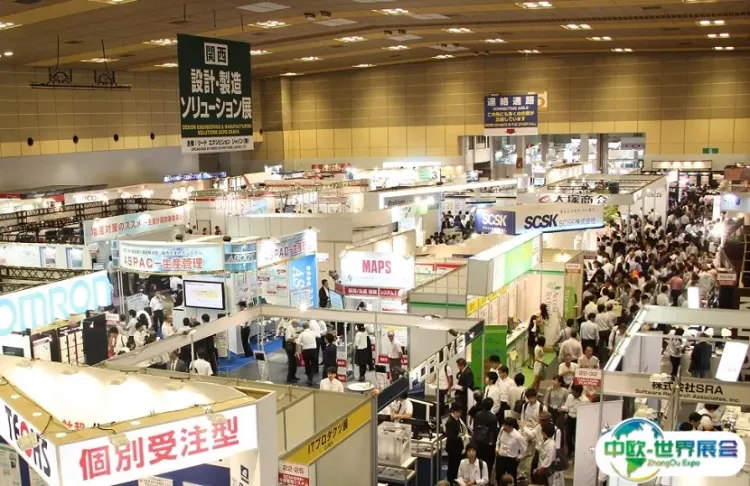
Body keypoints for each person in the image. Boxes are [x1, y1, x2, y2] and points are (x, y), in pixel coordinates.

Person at [495, 417, 526, 485]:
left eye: (506, 426)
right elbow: (498, 439)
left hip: (511, 459)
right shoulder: (502, 430)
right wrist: (497, 448)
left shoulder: (517, 436)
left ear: (511, 426)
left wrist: (520, 456)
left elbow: (524, 447)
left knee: (511, 478)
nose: (504, 427)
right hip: (501, 456)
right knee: (499, 476)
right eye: (504, 425)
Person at [472, 398, 499, 473]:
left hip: (478, 442)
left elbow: (475, 427)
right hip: (488, 445)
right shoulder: (493, 417)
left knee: (477, 463)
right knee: (488, 465)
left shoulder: (477, 414)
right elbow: (494, 432)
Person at [561, 384, 588, 455]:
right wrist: (562, 408)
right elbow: (567, 407)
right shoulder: (570, 397)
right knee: (568, 436)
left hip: (579, 420)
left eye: (573, 391)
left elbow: (586, 413)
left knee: (577, 437)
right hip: (570, 418)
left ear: (578, 392)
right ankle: (571, 450)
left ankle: (578, 453)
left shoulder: (585, 401)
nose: (571, 392)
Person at [445, 403, 467, 485]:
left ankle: (454, 479)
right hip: (453, 448)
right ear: (453, 412)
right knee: (452, 466)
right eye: (458, 412)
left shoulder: (457, 420)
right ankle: (451, 481)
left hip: (457, 447)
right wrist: (462, 438)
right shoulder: (450, 422)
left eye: (460, 412)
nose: (459, 414)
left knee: (456, 465)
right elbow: (451, 437)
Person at [299, 322, 318, 386]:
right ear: (309, 327)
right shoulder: (313, 332)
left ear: (303, 327)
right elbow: (319, 335)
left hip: (305, 351)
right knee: (314, 364)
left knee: (307, 364)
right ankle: (310, 378)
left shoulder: (302, 334)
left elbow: (298, 343)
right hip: (313, 350)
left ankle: (309, 378)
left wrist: (298, 351)